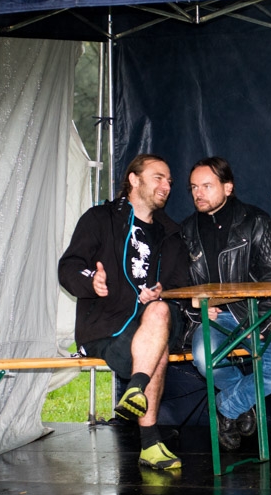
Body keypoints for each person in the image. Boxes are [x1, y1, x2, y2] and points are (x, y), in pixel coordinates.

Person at [58, 153, 189, 471]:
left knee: (159, 314)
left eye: (170, 181)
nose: (166, 185)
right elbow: (69, 267)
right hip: (106, 328)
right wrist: (92, 280)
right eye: (158, 177)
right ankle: (150, 442)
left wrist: (162, 291)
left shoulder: (170, 234)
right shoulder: (100, 219)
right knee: (157, 346)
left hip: (153, 322)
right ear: (133, 179)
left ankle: (134, 389)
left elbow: (180, 286)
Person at [180, 156, 271, 452]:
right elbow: (177, 285)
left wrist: (263, 324)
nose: (198, 193)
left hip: (256, 314)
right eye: (194, 187)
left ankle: (226, 408)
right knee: (204, 359)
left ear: (228, 187)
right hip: (212, 317)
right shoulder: (186, 231)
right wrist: (195, 309)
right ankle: (241, 404)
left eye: (206, 186)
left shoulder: (256, 221)